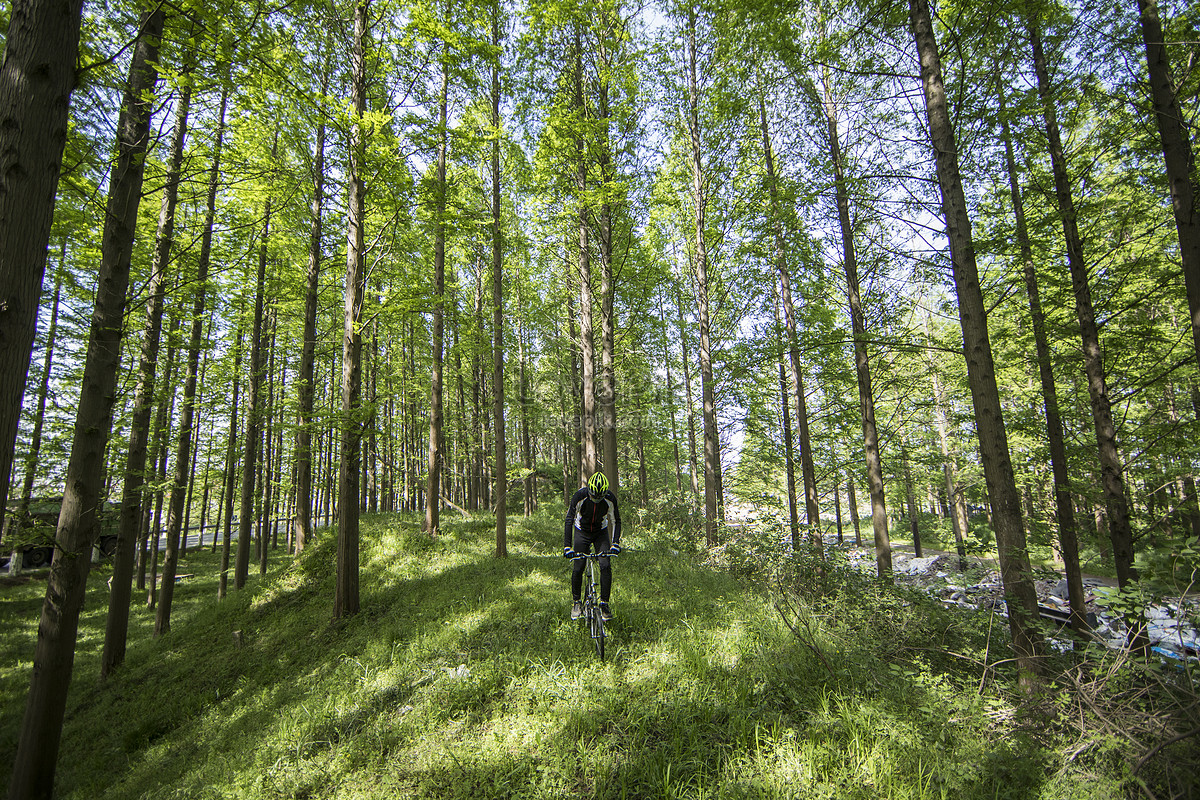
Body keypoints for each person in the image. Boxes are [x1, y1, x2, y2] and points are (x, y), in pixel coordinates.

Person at [563, 471, 622, 621]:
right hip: (581, 531)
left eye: (599, 497)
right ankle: (576, 603)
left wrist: (615, 543)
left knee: (605, 565)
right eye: (594, 496)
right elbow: (569, 519)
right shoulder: (579, 496)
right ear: (589, 491)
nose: (596, 500)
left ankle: (604, 604)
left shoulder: (610, 499)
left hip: (600, 532)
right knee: (578, 566)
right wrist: (567, 547)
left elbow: (616, 521)